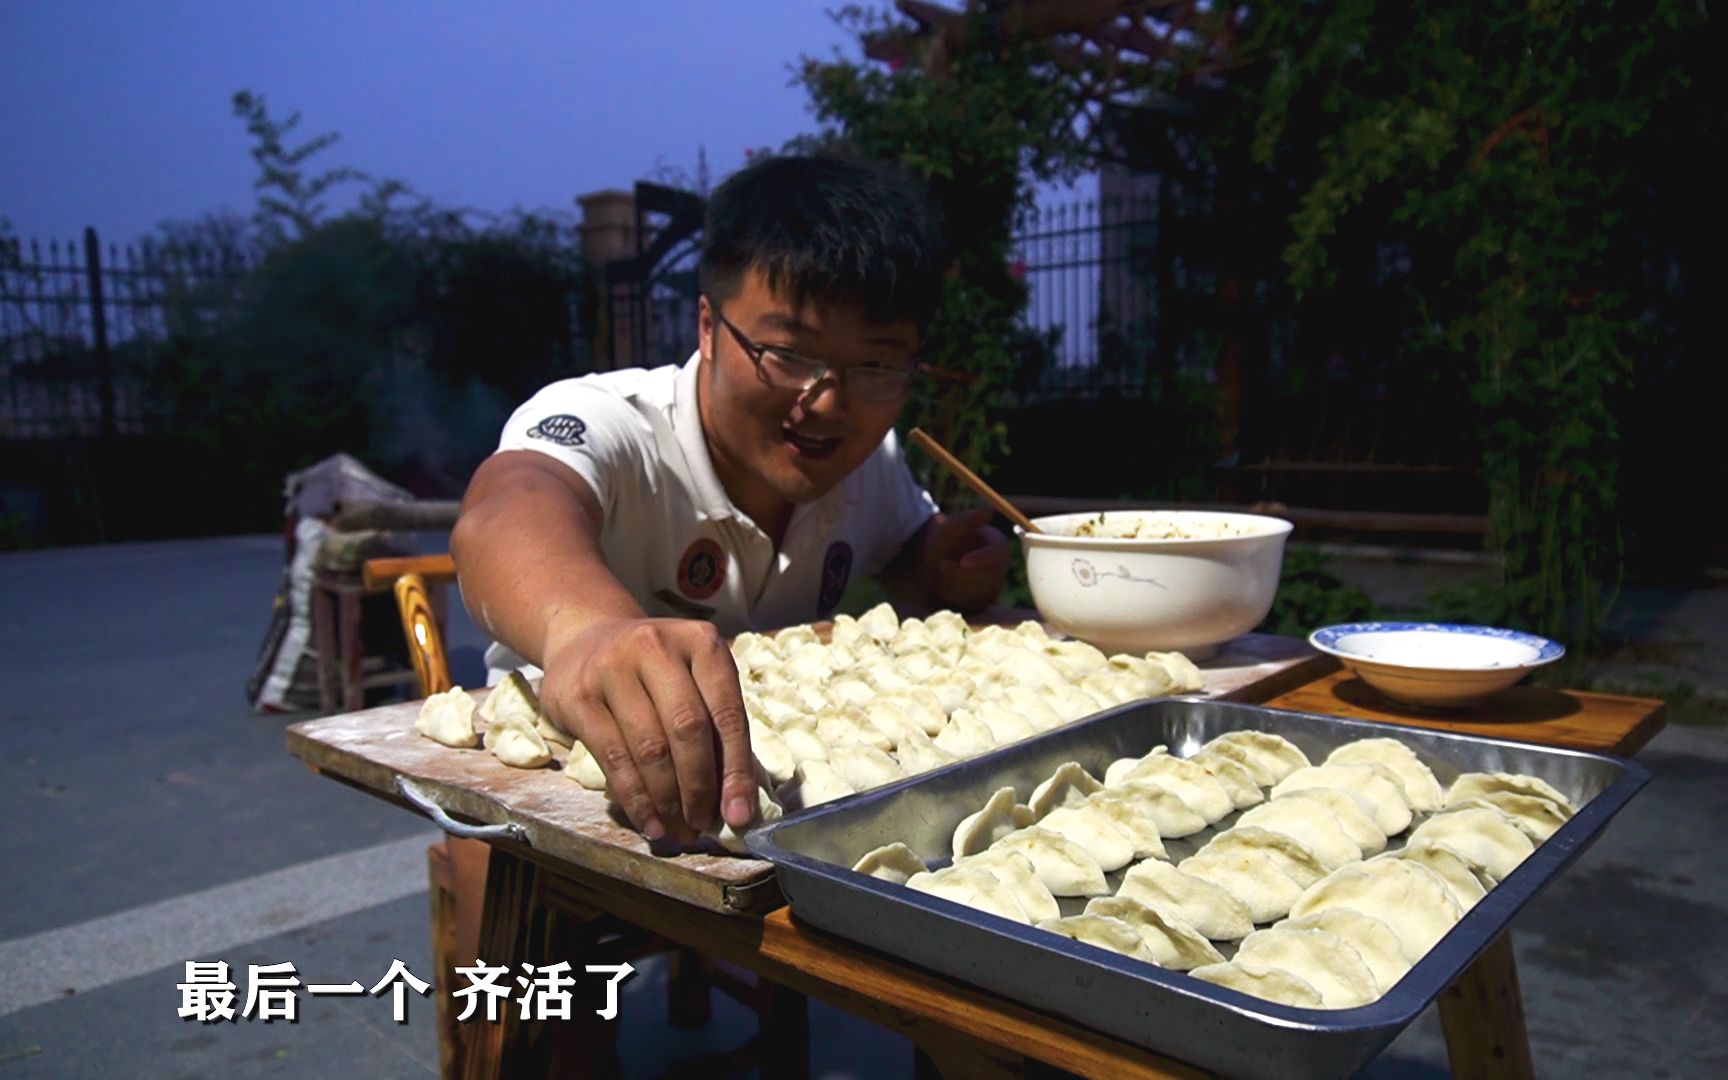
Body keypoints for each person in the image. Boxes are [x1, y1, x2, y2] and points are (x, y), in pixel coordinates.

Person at [452, 154, 1011, 845]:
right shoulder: (612, 423)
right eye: (789, 354)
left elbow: (904, 552)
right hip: (558, 817)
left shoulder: (872, 466)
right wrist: (587, 633)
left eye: (875, 365)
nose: (829, 402)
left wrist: (943, 564)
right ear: (710, 328)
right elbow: (504, 511)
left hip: (768, 831)